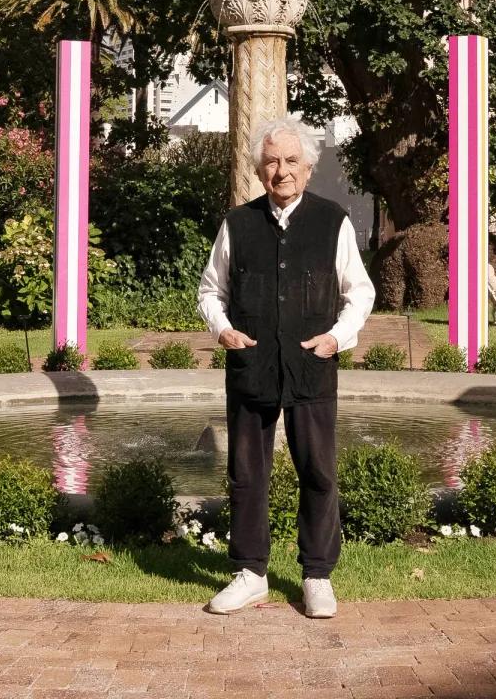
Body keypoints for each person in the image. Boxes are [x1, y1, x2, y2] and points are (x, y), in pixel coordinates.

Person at [197, 114, 375, 618]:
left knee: (318, 471)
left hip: (311, 367)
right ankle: (250, 573)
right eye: (272, 161)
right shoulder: (237, 223)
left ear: (309, 167)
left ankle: (317, 575)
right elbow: (211, 290)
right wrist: (223, 330)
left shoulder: (332, 221)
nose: (282, 171)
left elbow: (359, 293)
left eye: (291, 161)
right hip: (251, 367)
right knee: (247, 474)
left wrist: (336, 337)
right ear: (258, 169)